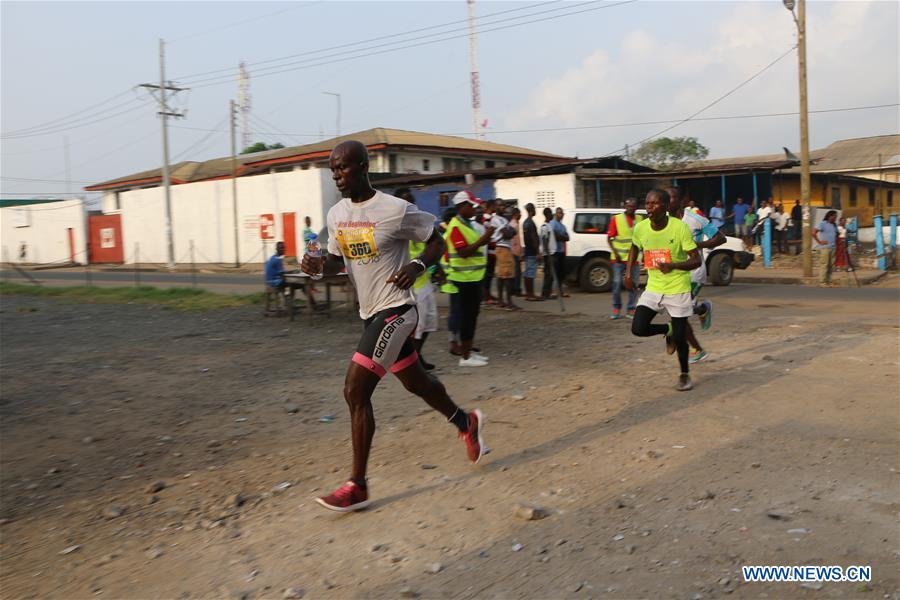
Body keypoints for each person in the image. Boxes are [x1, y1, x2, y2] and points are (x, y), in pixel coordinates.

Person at [300, 141, 486, 512]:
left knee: (355, 390)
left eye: (343, 168)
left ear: (364, 167)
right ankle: (466, 422)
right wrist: (319, 267)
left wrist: (418, 266)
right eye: (333, 169)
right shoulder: (336, 215)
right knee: (420, 384)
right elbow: (338, 262)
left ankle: (358, 484)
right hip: (370, 313)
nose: (337, 175)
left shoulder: (394, 209)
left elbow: (436, 242)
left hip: (398, 311)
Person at [625, 188, 702, 392]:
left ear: (666, 207)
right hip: (654, 287)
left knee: (680, 337)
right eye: (647, 203)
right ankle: (666, 330)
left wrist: (673, 265)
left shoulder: (679, 228)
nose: (649, 207)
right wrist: (627, 273)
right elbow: (634, 247)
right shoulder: (641, 228)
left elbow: (696, 260)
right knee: (638, 328)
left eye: (654, 203)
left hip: (677, 287)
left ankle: (684, 374)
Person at [668, 186, 725, 365]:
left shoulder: (695, 219)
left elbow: (720, 238)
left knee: (678, 315)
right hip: (675, 272)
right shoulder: (664, 221)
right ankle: (701, 309)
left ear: (681, 201)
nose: (667, 202)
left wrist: (696, 246)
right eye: (666, 198)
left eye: (671, 198)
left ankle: (695, 349)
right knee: (675, 311)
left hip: (693, 273)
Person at [445, 190, 494, 365]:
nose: (475, 209)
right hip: (463, 279)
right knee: (466, 317)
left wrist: (485, 239)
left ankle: (469, 352)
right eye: (471, 205)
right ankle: (465, 357)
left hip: (473, 278)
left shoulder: (467, 224)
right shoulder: (455, 226)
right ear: (461, 207)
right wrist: (484, 239)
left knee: (472, 316)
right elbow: (463, 252)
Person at [396, 187, 441, 370]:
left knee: (429, 322)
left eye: (412, 199)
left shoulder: (418, 223)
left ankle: (417, 357)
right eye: (406, 200)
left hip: (424, 280)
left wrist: (438, 267)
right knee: (417, 326)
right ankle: (413, 365)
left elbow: (432, 248)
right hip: (410, 285)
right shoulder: (395, 225)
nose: (410, 203)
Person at [607, 198, 643, 319]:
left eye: (633, 206)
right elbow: (609, 238)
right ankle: (616, 308)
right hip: (618, 259)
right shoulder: (616, 219)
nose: (631, 208)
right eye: (628, 206)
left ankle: (631, 309)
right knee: (617, 283)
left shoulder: (639, 219)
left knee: (634, 284)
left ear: (636, 207)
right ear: (625, 207)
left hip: (634, 259)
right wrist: (615, 252)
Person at [493, 205, 519, 310]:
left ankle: (501, 300)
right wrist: (509, 232)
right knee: (507, 275)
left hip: (505, 248)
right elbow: (507, 233)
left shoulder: (504, 220)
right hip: (502, 248)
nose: (503, 208)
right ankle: (508, 301)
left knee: (502, 275)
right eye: (500, 205)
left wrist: (510, 232)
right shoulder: (496, 220)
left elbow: (513, 232)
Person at [481, 199, 501, 305]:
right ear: (491, 206)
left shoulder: (491, 218)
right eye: (495, 206)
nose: (497, 208)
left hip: (492, 250)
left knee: (490, 273)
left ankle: (488, 294)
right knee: (488, 274)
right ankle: (486, 296)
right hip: (488, 250)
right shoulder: (486, 219)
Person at [521, 203, 542, 301]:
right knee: (531, 273)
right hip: (532, 251)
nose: (535, 211)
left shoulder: (525, 222)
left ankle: (528, 294)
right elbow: (533, 238)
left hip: (527, 250)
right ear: (531, 210)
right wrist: (537, 252)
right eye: (534, 209)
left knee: (527, 272)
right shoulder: (531, 223)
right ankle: (531, 295)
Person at [813, 210, 838, 287]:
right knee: (824, 265)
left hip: (833, 247)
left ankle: (829, 281)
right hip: (825, 248)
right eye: (834, 216)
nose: (835, 218)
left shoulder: (834, 225)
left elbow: (836, 234)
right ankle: (822, 282)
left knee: (831, 265)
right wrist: (819, 242)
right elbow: (813, 232)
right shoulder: (822, 224)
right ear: (830, 216)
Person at [540, 207, 559, 299]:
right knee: (548, 274)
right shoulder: (544, 226)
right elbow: (544, 241)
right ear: (547, 215)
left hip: (552, 252)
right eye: (551, 213)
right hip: (548, 254)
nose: (552, 215)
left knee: (550, 274)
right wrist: (548, 254)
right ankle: (545, 293)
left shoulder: (549, 225)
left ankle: (548, 292)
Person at [264, 241, 288, 314]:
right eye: (281, 248)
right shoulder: (277, 260)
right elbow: (282, 273)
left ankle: (284, 303)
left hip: (268, 281)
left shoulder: (272, 257)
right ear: (277, 249)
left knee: (284, 282)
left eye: (284, 248)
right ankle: (286, 304)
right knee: (291, 283)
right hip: (274, 282)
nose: (283, 250)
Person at [553, 207, 570, 297]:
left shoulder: (563, 226)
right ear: (556, 214)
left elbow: (567, 238)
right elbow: (555, 236)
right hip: (555, 252)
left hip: (562, 252)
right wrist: (562, 237)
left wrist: (561, 236)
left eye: (562, 213)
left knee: (562, 273)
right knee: (555, 272)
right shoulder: (553, 224)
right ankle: (554, 291)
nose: (561, 214)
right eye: (559, 213)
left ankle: (561, 291)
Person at [509, 207, 524, 297]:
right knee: (517, 272)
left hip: (513, 251)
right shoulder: (515, 225)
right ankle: (516, 290)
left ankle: (513, 290)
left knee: (514, 272)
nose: (520, 215)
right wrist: (520, 253)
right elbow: (516, 241)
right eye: (519, 214)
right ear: (516, 214)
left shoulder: (511, 224)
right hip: (515, 251)